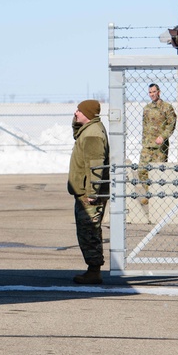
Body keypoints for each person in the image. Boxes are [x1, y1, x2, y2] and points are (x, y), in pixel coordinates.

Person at [68, 99, 110, 284]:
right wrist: (76, 120)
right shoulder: (88, 130)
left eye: (79, 111)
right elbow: (76, 133)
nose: (76, 113)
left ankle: (94, 271)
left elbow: (95, 166)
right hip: (85, 193)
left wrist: (92, 192)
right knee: (86, 231)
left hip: (89, 195)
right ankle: (93, 269)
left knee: (90, 232)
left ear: (88, 114)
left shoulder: (92, 134)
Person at [138, 83, 177, 205]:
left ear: (159, 92)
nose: (152, 94)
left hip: (160, 146)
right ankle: (149, 193)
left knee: (158, 172)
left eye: (154, 92)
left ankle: (157, 197)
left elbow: (171, 123)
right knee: (142, 170)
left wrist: (163, 136)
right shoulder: (147, 108)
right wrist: (144, 141)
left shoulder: (167, 107)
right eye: (150, 92)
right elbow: (145, 125)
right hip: (147, 145)